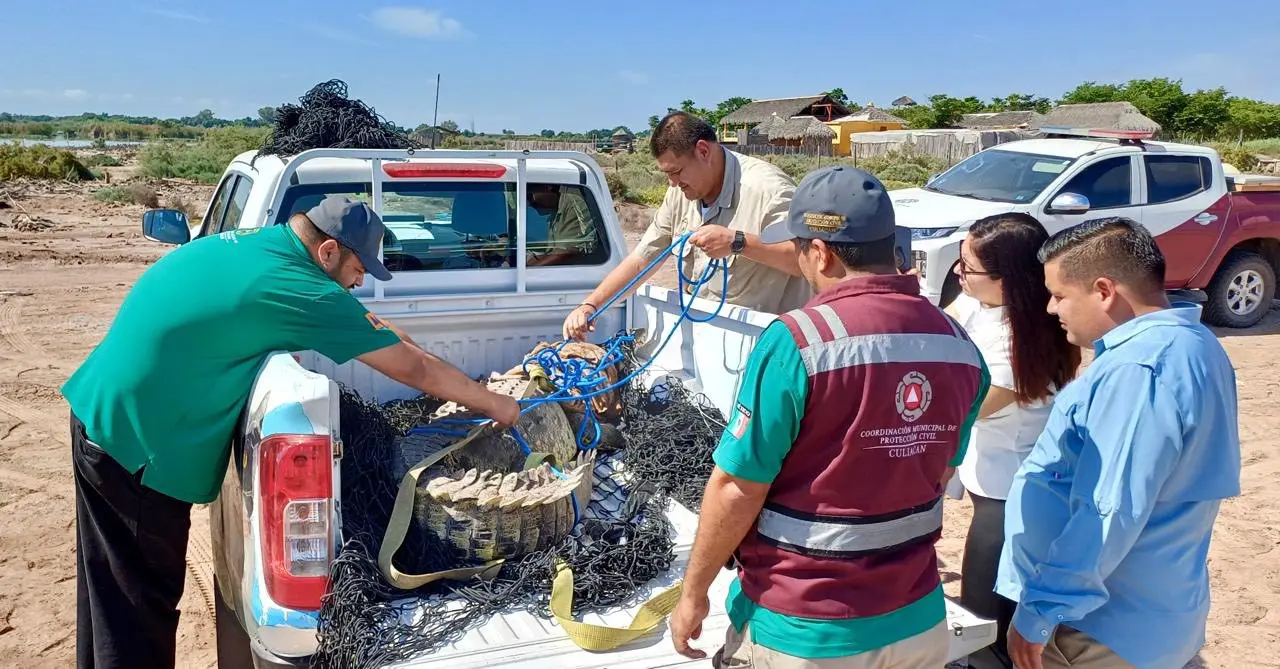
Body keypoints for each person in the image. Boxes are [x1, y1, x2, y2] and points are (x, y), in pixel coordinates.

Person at [62, 195, 521, 669]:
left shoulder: (262, 247)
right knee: (137, 608)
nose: (361, 280)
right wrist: (499, 405)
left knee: (109, 592)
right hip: (138, 448)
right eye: (360, 268)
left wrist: (442, 367)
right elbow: (415, 370)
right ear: (328, 252)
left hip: (104, 413)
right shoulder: (301, 290)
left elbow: (387, 336)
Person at [668, 165, 991, 668]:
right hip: (918, 621)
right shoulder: (958, 344)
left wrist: (694, 592)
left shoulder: (798, 340)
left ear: (820, 251)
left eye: (799, 250)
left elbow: (738, 486)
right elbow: (939, 468)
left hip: (805, 629)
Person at [996, 217, 1241, 669]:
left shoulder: (1138, 370)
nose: (1051, 309)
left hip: (1103, 626)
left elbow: (1108, 510)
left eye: (1059, 295)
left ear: (1104, 290)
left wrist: (1040, 612)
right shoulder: (1195, 346)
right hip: (1155, 608)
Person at [943, 213, 1080, 669]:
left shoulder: (1018, 338)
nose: (958, 274)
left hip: (1011, 497)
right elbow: (946, 320)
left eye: (968, 268)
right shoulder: (980, 303)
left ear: (1008, 280)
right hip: (989, 486)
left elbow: (960, 411)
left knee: (985, 620)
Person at [562, 111, 812, 340]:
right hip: (707, 338)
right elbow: (643, 258)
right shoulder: (681, 193)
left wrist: (738, 242)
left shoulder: (769, 191)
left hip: (762, 345)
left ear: (703, 151)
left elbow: (805, 262)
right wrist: (591, 305)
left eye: (677, 171)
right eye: (667, 175)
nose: (672, 183)